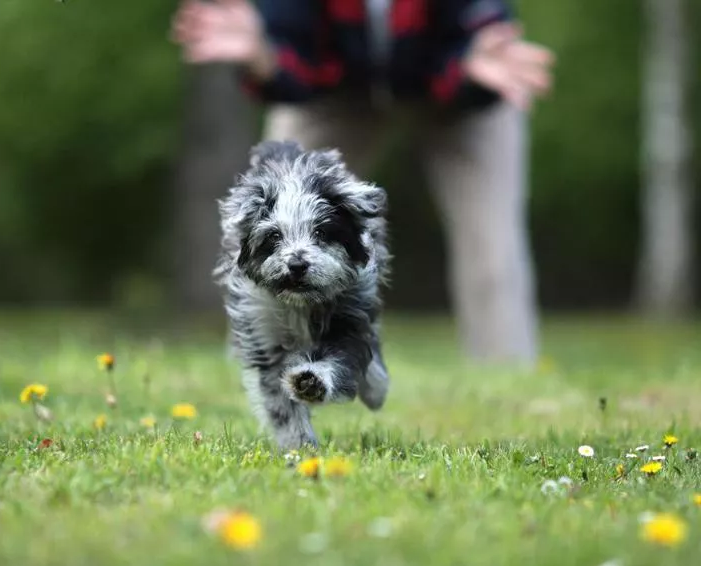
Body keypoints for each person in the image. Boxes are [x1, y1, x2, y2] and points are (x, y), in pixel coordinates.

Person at [171, 0, 555, 366]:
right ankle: (254, 366)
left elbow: (485, 34)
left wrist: (470, 68)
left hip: (461, 93)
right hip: (335, 94)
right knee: (270, 213)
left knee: (493, 241)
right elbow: (293, 70)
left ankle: (507, 376)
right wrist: (263, 55)